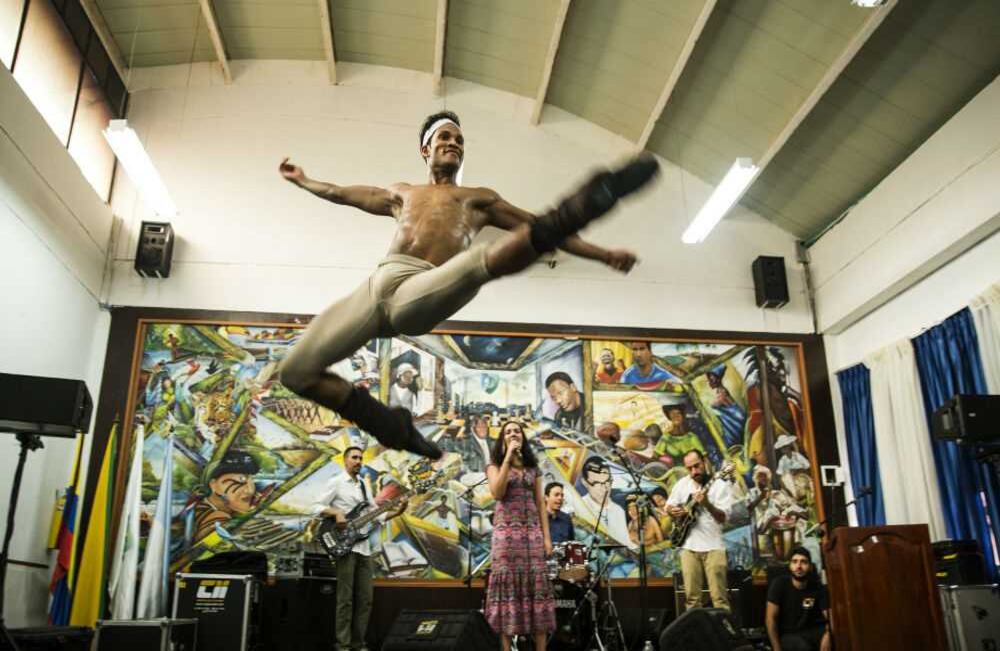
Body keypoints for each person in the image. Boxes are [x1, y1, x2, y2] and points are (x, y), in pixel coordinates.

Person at [277, 111, 659, 459]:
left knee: (478, 263)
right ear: (426, 149)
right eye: (445, 137)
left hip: (423, 286)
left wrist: (601, 254)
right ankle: (390, 425)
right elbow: (340, 193)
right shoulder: (402, 193)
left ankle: (582, 205)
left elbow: (532, 222)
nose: (453, 144)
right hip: (378, 284)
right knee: (295, 372)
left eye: (459, 141)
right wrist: (304, 181)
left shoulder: (478, 199)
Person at [312, 446, 407, 651]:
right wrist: (336, 513)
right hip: (344, 546)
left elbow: (375, 514)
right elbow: (316, 507)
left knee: (365, 600)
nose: (358, 461)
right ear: (345, 460)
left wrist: (398, 512)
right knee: (345, 599)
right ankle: (343, 645)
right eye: (354, 457)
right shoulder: (337, 482)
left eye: (360, 458)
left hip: (364, 548)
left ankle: (358, 644)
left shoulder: (364, 484)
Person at [485, 421, 555, 650]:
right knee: (507, 591)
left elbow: (540, 503)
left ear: (523, 436)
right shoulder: (494, 465)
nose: (513, 434)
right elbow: (497, 493)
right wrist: (507, 458)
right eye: (508, 432)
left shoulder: (533, 467)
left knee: (537, 589)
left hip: (532, 534)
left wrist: (546, 538)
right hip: (506, 536)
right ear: (503, 438)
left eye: (517, 431)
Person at [666, 450, 735, 611]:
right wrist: (673, 511)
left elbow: (723, 518)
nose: (694, 472)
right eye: (689, 468)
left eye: (696, 466)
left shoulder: (720, 484)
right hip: (688, 547)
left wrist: (707, 504)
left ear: (704, 461)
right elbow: (668, 506)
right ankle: (695, 627)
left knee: (719, 599)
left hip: (714, 547)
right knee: (691, 600)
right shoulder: (683, 484)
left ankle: (722, 627)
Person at [766, 546, 831, 651]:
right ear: (790, 566)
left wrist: (828, 634)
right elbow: (770, 619)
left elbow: (830, 618)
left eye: (803, 562)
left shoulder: (818, 587)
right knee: (803, 646)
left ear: (810, 566)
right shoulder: (779, 584)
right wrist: (777, 649)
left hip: (812, 631)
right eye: (795, 562)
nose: (799, 566)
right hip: (788, 634)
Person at [193, 449, 262, 540]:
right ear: (214, 485)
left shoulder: (199, 506)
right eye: (240, 480)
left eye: (252, 480)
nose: (250, 490)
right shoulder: (217, 519)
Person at [579, 456, 633, 548]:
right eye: (596, 483)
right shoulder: (579, 508)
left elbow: (627, 544)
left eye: (607, 481)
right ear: (585, 482)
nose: (604, 488)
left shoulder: (619, 510)